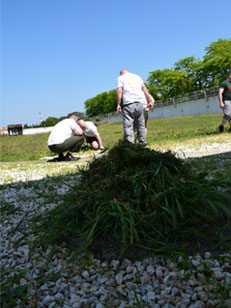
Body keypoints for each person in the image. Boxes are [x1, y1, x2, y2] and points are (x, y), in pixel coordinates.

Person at [117, 69, 154, 144]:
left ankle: (130, 144)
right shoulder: (137, 77)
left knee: (128, 125)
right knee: (141, 124)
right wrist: (149, 100)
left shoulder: (121, 78)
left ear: (121, 73)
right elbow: (144, 88)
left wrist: (118, 103)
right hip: (140, 103)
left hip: (129, 103)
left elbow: (119, 90)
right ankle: (142, 143)